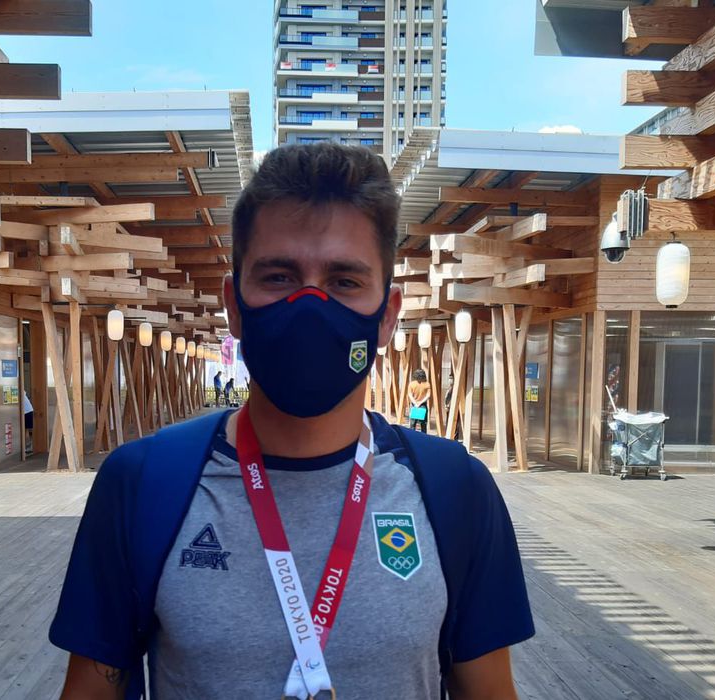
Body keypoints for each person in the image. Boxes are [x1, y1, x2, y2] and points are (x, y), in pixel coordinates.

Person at [50, 143, 534, 699]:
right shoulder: (140, 484)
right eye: (279, 277)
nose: (308, 306)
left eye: (344, 281)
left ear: (387, 316)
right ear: (234, 306)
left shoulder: (456, 490)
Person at [407, 368, 431, 433]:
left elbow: (410, 395)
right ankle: (423, 438)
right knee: (423, 425)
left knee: (412, 425)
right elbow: (428, 395)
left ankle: (412, 437)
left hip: (414, 406)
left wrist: (415, 403)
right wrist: (420, 403)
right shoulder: (427, 384)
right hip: (423, 406)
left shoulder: (411, 384)